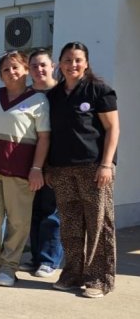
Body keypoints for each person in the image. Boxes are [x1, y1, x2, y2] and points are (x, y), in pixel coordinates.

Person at [45, 42, 119, 298]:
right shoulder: (54, 95)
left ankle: (99, 279)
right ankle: (73, 274)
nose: (72, 65)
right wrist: (48, 167)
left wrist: (107, 164)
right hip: (63, 169)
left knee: (99, 224)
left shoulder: (99, 90)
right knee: (71, 225)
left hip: (95, 168)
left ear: (86, 63)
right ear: (60, 64)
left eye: (77, 60)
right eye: (67, 60)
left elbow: (112, 129)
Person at [0, 51, 50, 287]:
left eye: (16, 68)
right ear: (0, 74)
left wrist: (37, 168)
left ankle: (9, 267)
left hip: (20, 171)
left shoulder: (38, 100)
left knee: (19, 222)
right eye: (6, 69)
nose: (11, 73)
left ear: (26, 70)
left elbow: (44, 138)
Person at [26, 49, 63, 278]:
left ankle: (49, 259)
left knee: (51, 213)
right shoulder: (27, 94)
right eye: (34, 66)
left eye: (43, 65)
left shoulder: (61, 93)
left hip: (55, 163)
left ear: (53, 66)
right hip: (29, 163)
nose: (39, 70)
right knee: (33, 211)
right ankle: (36, 257)